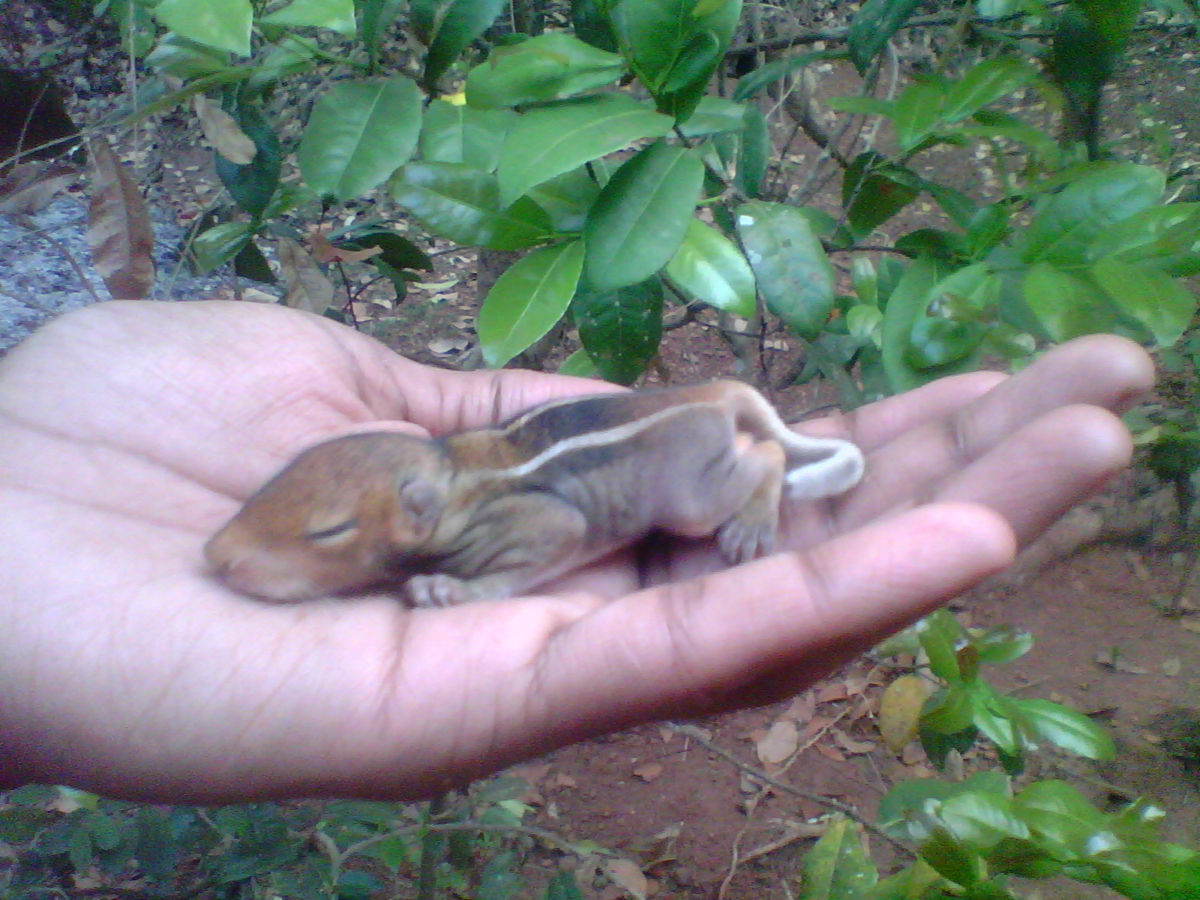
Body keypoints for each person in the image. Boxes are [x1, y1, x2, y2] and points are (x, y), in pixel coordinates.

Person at [0, 300, 1152, 803]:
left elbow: (550, 533)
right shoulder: (416, 482)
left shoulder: (476, 516)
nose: (236, 559)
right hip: (637, 422)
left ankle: (762, 472)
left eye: (334, 538)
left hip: (676, 451)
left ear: (408, 510)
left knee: (701, 521)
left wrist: (483, 585)